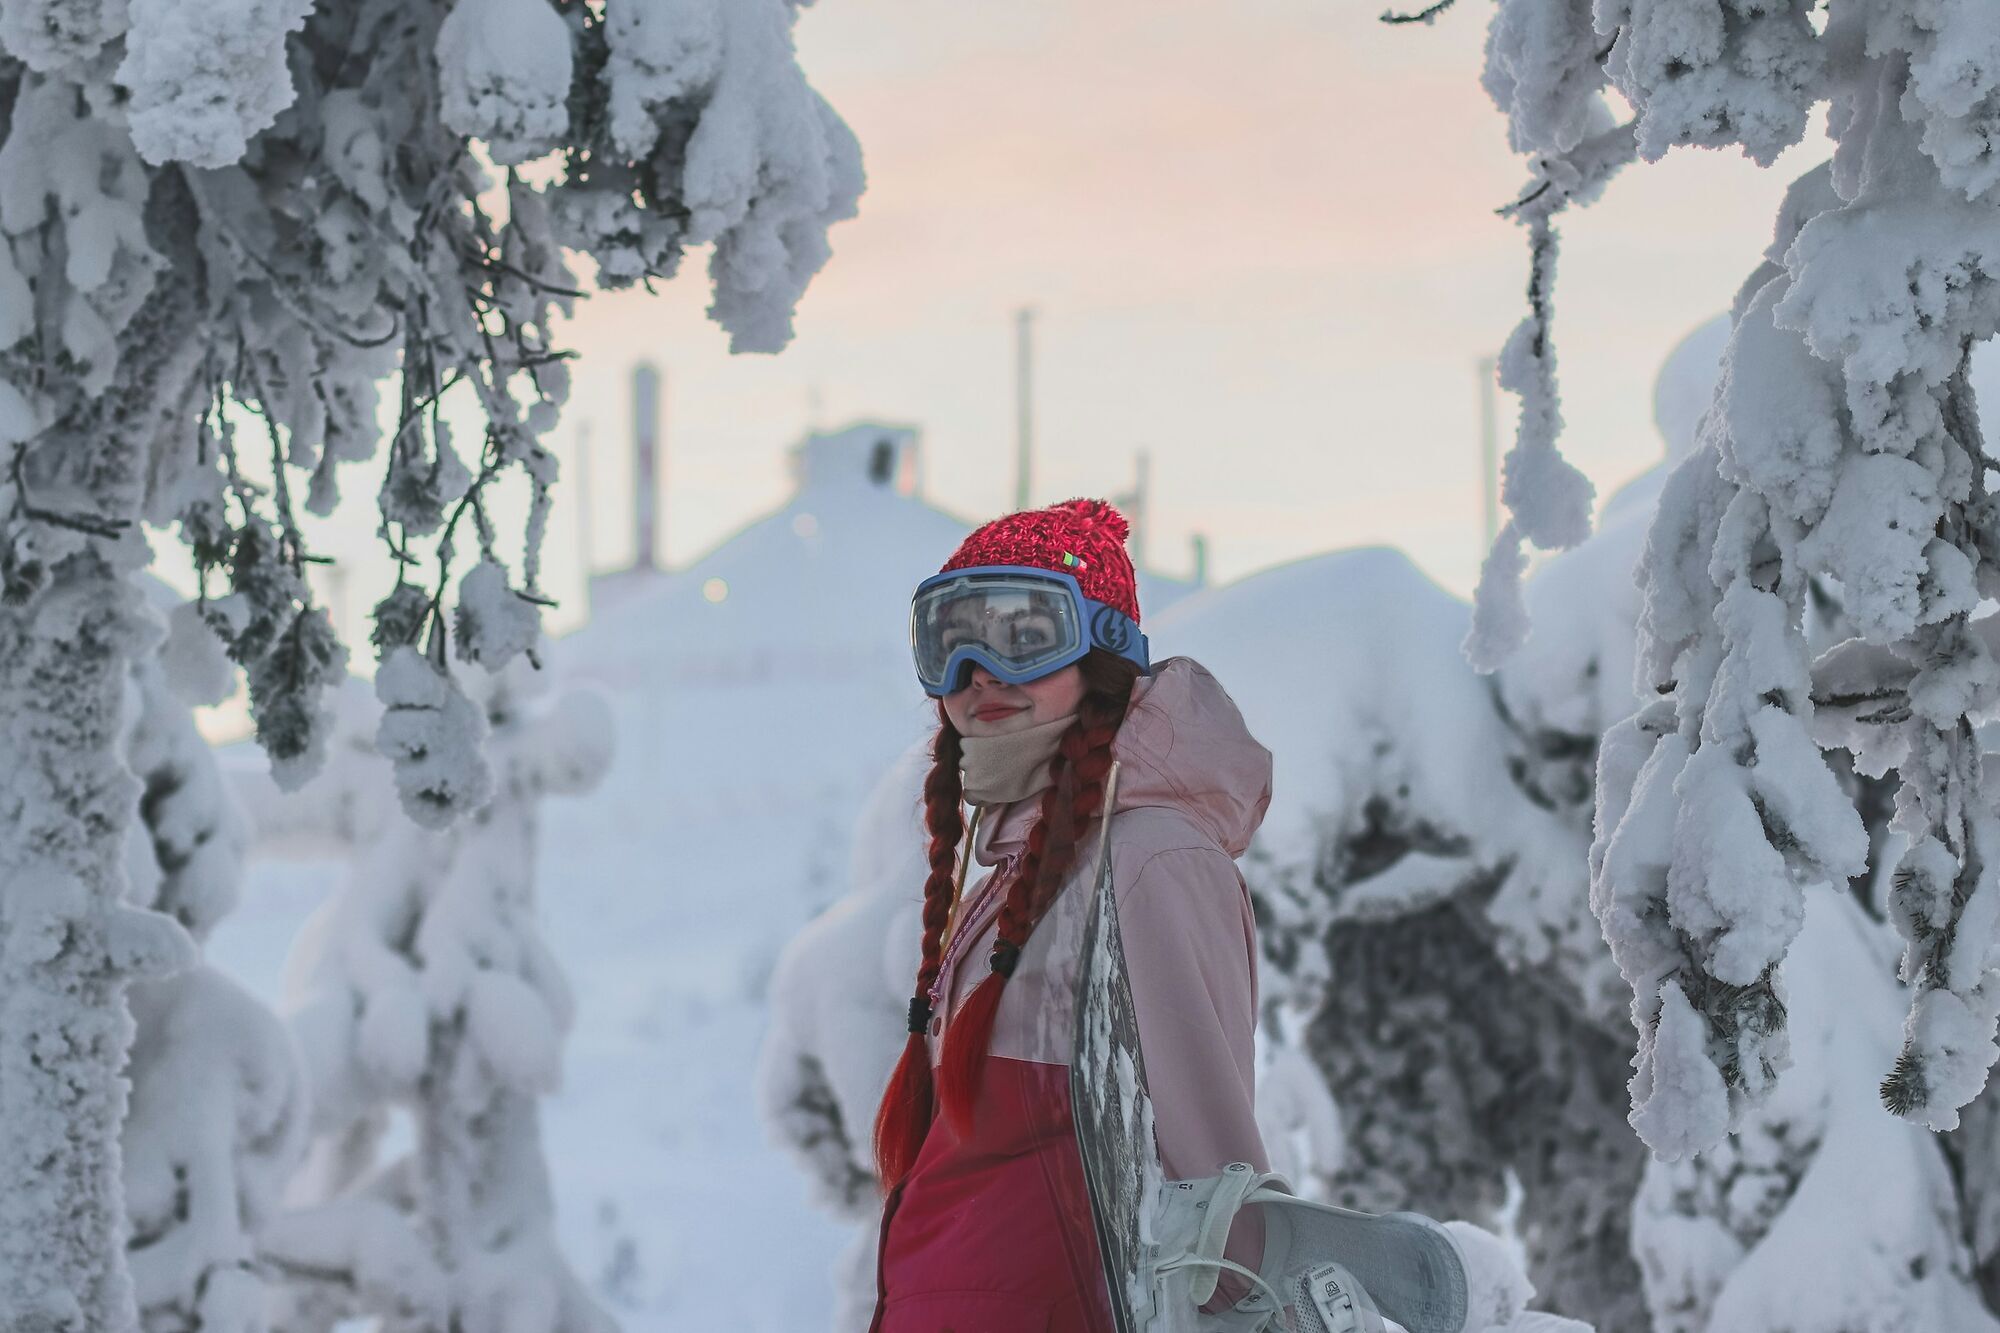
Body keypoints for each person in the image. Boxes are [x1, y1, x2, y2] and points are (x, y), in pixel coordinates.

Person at [870, 497, 1274, 1333]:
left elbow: (1216, 1190)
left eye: (1022, 633)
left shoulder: (1148, 856)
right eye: (951, 638)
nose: (980, 671)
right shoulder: (1017, 870)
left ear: (1104, 652)